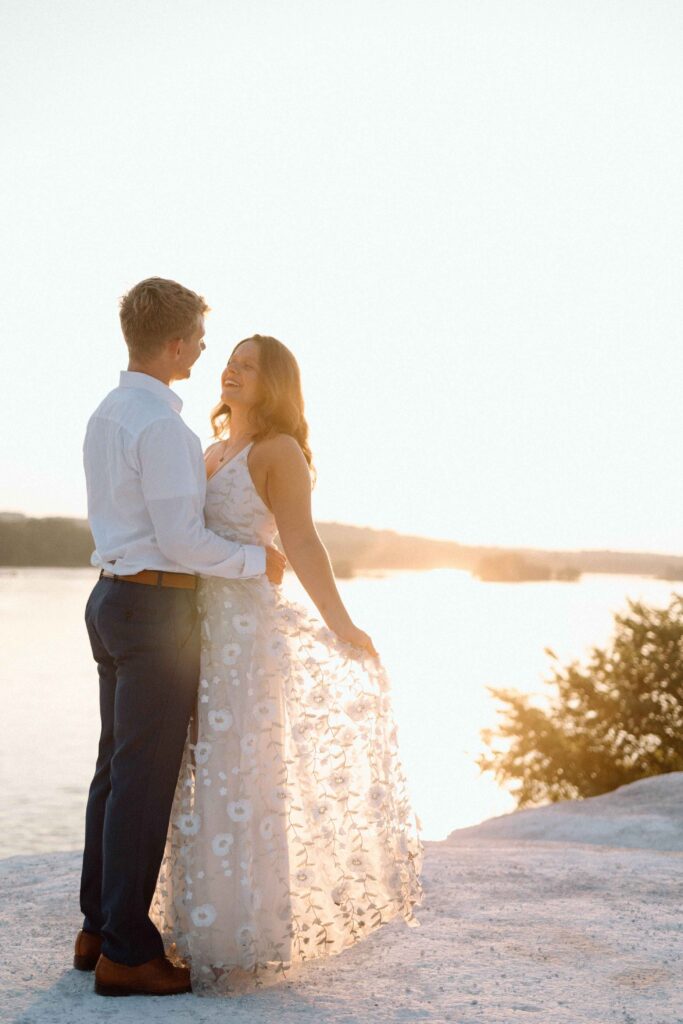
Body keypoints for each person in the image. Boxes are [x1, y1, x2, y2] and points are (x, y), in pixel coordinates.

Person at [152, 334, 423, 995]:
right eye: (230, 363)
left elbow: (301, 541)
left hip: (244, 636)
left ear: (273, 383)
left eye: (247, 366)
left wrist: (343, 625)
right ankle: (190, 927)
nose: (231, 372)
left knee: (239, 773)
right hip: (191, 631)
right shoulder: (211, 450)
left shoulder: (279, 453)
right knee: (194, 772)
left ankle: (241, 936)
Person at [76, 280, 286, 998]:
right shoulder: (163, 427)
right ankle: (128, 952)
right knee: (142, 779)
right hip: (155, 610)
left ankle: (98, 927)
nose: (202, 347)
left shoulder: (109, 413)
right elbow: (183, 541)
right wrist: (259, 562)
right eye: (198, 336)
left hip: (111, 599)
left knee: (115, 770)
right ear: (173, 344)